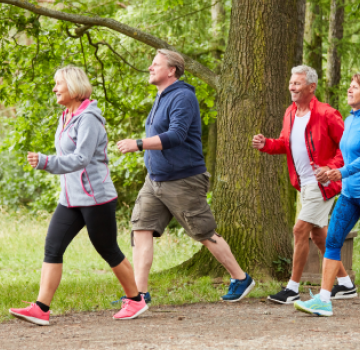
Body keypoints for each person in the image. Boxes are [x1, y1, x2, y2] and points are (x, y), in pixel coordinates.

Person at [9, 66, 148, 326]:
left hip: (96, 197)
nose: (54, 89)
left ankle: (136, 300)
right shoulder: (66, 115)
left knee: (107, 249)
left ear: (73, 86)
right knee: (53, 247)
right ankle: (41, 308)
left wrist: (46, 162)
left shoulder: (89, 119)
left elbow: (82, 158)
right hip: (70, 199)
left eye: (58, 84)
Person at [117, 49, 255, 302]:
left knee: (203, 232)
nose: (150, 67)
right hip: (155, 179)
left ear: (171, 70)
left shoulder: (182, 96)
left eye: (155, 64)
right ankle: (139, 295)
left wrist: (138, 143)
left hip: (183, 179)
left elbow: (176, 136)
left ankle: (241, 278)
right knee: (141, 229)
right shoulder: (161, 97)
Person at [294, 74, 360, 316]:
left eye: (355, 88)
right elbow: (345, 156)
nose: (350, 90)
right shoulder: (350, 121)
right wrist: (330, 171)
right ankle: (323, 300)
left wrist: (341, 173)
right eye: (350, 87)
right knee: (332, 242)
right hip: (349, 194)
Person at [252, 65, 356, 304]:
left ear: (311, 87)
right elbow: (284, 143)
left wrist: (331, 169)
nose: (292, 87)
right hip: (304, 185)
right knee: (319, 236)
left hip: (323, 185)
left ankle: (292, 288)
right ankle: (346, 285)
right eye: (291, 83)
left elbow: (347, 147)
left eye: (297, 83)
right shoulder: (290, 112)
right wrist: (265, 144)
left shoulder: (327, 114)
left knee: (299, 230)